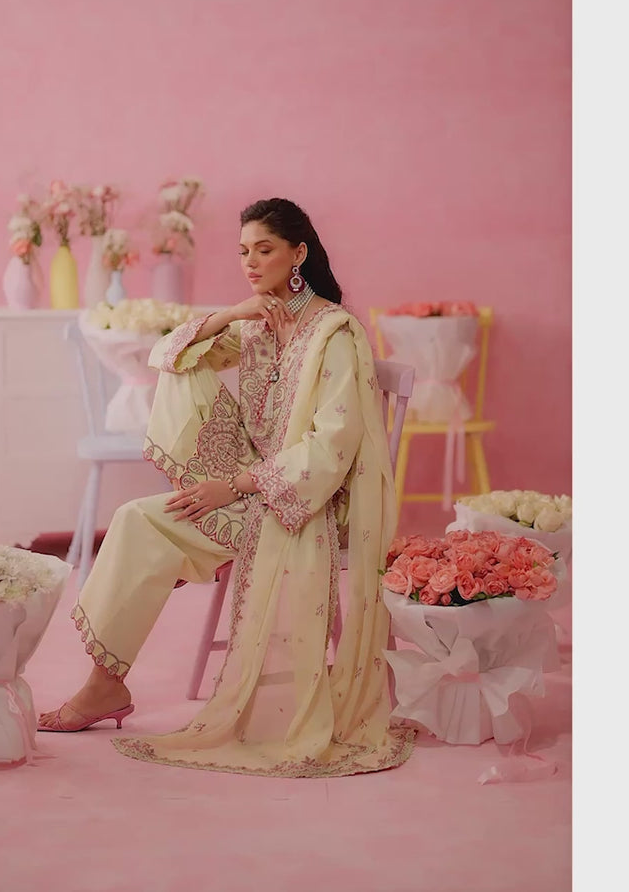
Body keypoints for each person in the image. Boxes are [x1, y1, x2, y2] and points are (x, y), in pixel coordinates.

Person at [38, 197, 415, 777]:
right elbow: (169, 356)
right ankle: (106, 684)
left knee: (151, 525)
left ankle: (102, 685)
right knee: (137, 517)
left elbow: (331, 450)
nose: (251, 262)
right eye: (243, 251)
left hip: (303, 504)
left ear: (298, 253)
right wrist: (231, 314)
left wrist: (236, 485)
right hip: (249, 491)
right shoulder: (260, 322)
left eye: (265, 249)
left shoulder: (334, 335)